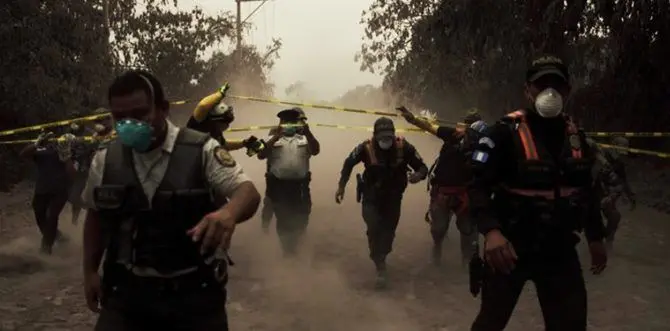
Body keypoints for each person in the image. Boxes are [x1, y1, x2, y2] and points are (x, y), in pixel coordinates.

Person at [81, 70, 260, 331]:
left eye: (140, 114)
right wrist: (89, 272)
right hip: (127, 298)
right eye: (119, 117)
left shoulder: (203, 150)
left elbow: (248, 192)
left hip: (194, 298)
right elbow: (95, 216)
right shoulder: (105, 159)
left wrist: (229, 213)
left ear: (163, 109)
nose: (129, 124)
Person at [467, 55, 608, 330]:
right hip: (509, 248)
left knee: (570, 324)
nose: (550, 92)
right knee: (490, 323)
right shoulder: (503, 133)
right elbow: (477, 185)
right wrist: (492, 232)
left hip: (560, 250)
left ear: (567, 91)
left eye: (557, 85)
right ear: (527, 91)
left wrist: (595, 237)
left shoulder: (577, 138)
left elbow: (587, 190)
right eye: (542, 84)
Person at [335, 117, 428, 288]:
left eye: (388, 136)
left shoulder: (404, 147)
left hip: (393, 198)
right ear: (375, 135)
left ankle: (382, 256)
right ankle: (380, 266)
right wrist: (341, 187)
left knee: (388, 232)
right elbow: (348, 164)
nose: (386, 140)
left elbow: (423, 167)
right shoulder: (365, 147)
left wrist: (417, 176)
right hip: (371, 197)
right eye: (382, 136)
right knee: (374, 226)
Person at [400, 106, 486, 266]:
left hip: (466, 193)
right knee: (438, 229)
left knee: (468, 230)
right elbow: (430, 127)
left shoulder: (484, 145)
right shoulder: (452, 134)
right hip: (442, 190)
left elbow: (487, 168)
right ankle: (437, 247)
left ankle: (467, 264)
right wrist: (412, 119)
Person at [256, 107, 319, 255]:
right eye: (285, 122)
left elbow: (316, 150)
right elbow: (261, 155)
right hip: (280, 188)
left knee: (302, 216)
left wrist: (308, 132)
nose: (288, 125)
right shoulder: (272, 139)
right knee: (283, 220)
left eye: (291, 121)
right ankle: (288, 251)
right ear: (280, 123)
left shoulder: (304, 139)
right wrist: (274, 138)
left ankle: (297, 241)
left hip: (300, 188)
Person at [19, 130, 75, 254]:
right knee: (40, 216)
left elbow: (72, 174)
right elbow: (23, 154)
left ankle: (46, 248)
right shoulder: (41, 152)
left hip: (60, 190)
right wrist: (36, 143)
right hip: (42, 189)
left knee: (51, 216)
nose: (52, 141)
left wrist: (66, 156)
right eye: (49, 138)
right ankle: (58, 237)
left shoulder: (67, 151)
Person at [590, 136, 636, 250]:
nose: (622, 156)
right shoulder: (600, 157)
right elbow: (593, 177)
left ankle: (608, 242)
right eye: (620, 152)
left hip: (607, 194)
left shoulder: (619, 163)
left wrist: (631, 196)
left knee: (615, 216)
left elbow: (623, 180)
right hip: (593, 193)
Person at [186, 84, 260, 153]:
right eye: (226, 122)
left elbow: (224, 145)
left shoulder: (216, 132)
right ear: (217, 119)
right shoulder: (198, 121)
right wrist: (219, 94)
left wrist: (243, 143)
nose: (227, 125)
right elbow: (203, 105)